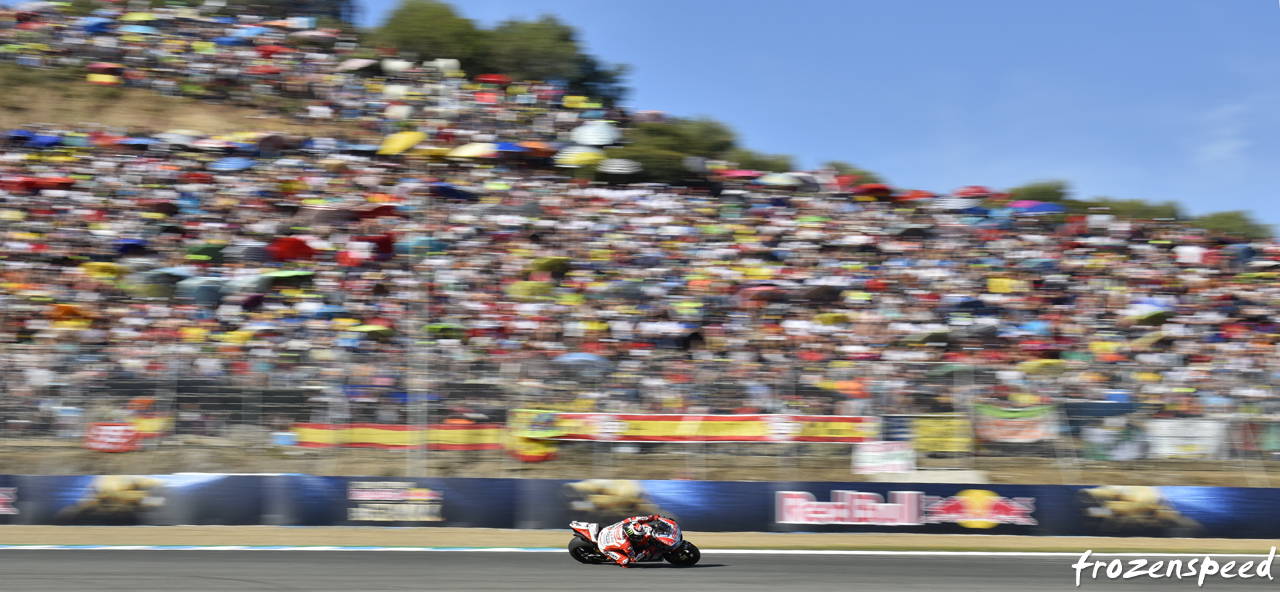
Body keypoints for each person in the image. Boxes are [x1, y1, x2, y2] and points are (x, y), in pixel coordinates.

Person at [597, 514, 665, 567]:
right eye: (639, 536)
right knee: (626, 561)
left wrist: (652, 517)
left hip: (605, 531)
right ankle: (615, 559)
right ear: (632, 536)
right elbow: (634, 559)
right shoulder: (626, 544)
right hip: (603, 546)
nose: (642, 536)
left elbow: (638, 519)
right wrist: (647, 550)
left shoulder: (628, 522)